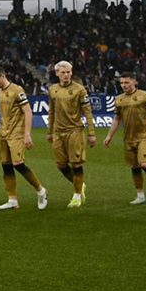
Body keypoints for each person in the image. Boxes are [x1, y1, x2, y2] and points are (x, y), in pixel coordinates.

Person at [0, 65, 46, 210]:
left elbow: (28, 112)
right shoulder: (0, 91)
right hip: (3, 133)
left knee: (18, 164)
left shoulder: (17, 91)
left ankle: (40, 190)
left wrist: (27, 134)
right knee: (6, 165)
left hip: (17, 133)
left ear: (3, 76)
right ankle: (12, 200)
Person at [103, 72, 146, 204]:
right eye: (122, 83)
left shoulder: (144, 95)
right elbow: (117, 119)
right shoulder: (119, 99)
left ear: (134, 82)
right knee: (134, 166)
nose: (124, 85)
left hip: (144, 136)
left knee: (144, 164)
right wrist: (109, 136)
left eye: (127, 83)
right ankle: (140, 195)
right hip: (128, 138)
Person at [47, 60, 96, 209]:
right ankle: (80, 184)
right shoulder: (53, 89)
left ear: (71, 72)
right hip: (58, 132)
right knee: (61, 164)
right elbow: (51, 111)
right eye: (63, 72)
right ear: (57, 74)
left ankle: (77, 195)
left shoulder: (79, 89)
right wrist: (49, 131)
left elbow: (88, 112)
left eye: (68, 72)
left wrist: (91, 133)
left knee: (76, 163)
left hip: (75, 130)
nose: (66, 75)